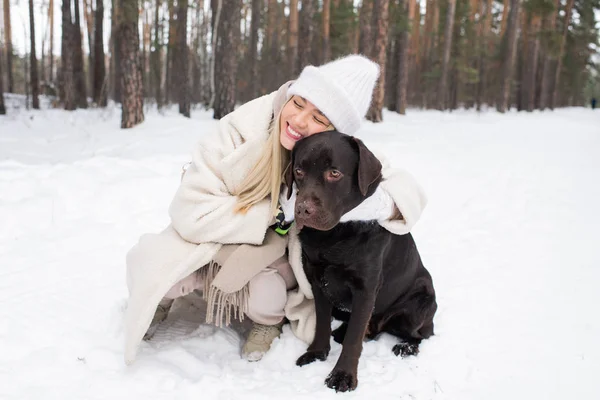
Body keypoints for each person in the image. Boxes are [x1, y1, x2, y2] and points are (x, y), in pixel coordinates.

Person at [123, 54, 428, 365]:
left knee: (267, 297)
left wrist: (358, 205)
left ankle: (265, 321)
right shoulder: (240, 128)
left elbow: (405, 192)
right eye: (298, 103)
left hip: (266, 255)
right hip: (207, 238)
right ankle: (159, 299)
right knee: (160, 271)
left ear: (334, 132)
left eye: (319, 118)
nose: (298, 121)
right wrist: (276, 214)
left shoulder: (335, 151)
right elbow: (189, 210)